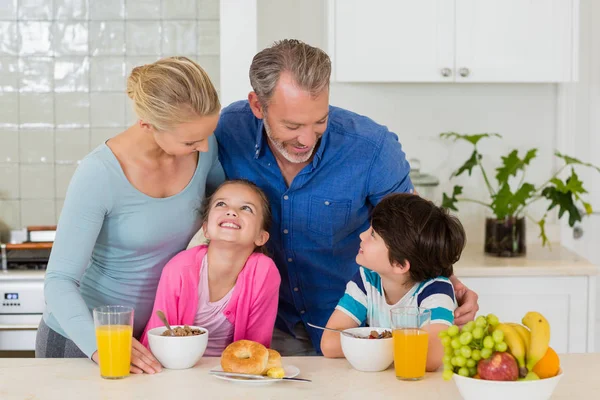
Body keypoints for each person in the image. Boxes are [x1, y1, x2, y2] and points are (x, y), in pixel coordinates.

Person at [213, 39, 479, 355]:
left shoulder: (371, 147)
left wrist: (449, 282)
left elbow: (412, 230)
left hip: (354, 331)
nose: (307, 139)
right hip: (261, 326)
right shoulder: (227, 131)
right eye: (292, 125)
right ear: (257, 105)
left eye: (320, 121)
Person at [37, 57, 225, 375]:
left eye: (207, 135)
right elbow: (59, 281)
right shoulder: (99, 174)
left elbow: (225, 214)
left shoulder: (203, 149)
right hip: (85, 341)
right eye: (191, 141)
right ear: (147, 125)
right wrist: (101, 344)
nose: (204, 147)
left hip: (161, 337)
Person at [320, 193, 466, 371]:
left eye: (373, 234)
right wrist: (399, 345)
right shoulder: (366, 280)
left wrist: (373, 341)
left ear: (399, 264)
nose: (361, 236)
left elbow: (429, 357)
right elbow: (329, 343)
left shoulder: (436, 290)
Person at [141, 179, 281, 355]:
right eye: (221, 204)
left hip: (231, 374)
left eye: (246, 208)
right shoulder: (179, 268)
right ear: (206, 229)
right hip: (173, 367)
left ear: (261, 237)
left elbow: (255, 349)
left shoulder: (264, 272)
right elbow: (158, 340)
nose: (231, 212)